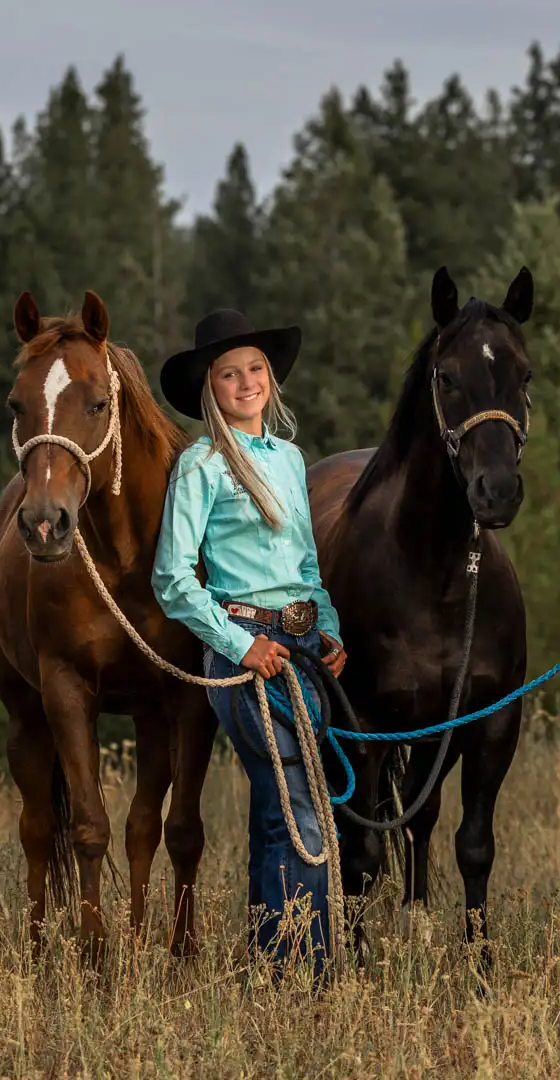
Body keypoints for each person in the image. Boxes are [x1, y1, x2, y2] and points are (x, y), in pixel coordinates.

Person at [152, 308, 347, 975]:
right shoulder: (201, 466)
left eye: (255, 369)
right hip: (246, 652)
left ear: (270, 378)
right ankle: (312, 970)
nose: (246, 383)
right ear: (211, 388)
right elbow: (173, 579)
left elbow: (307, 569)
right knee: (302, 808)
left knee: (280, 807)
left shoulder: (290, 460)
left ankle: (271, 966)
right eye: (229, 374)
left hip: (301, 646)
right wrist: (239, 646)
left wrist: (330, 632)